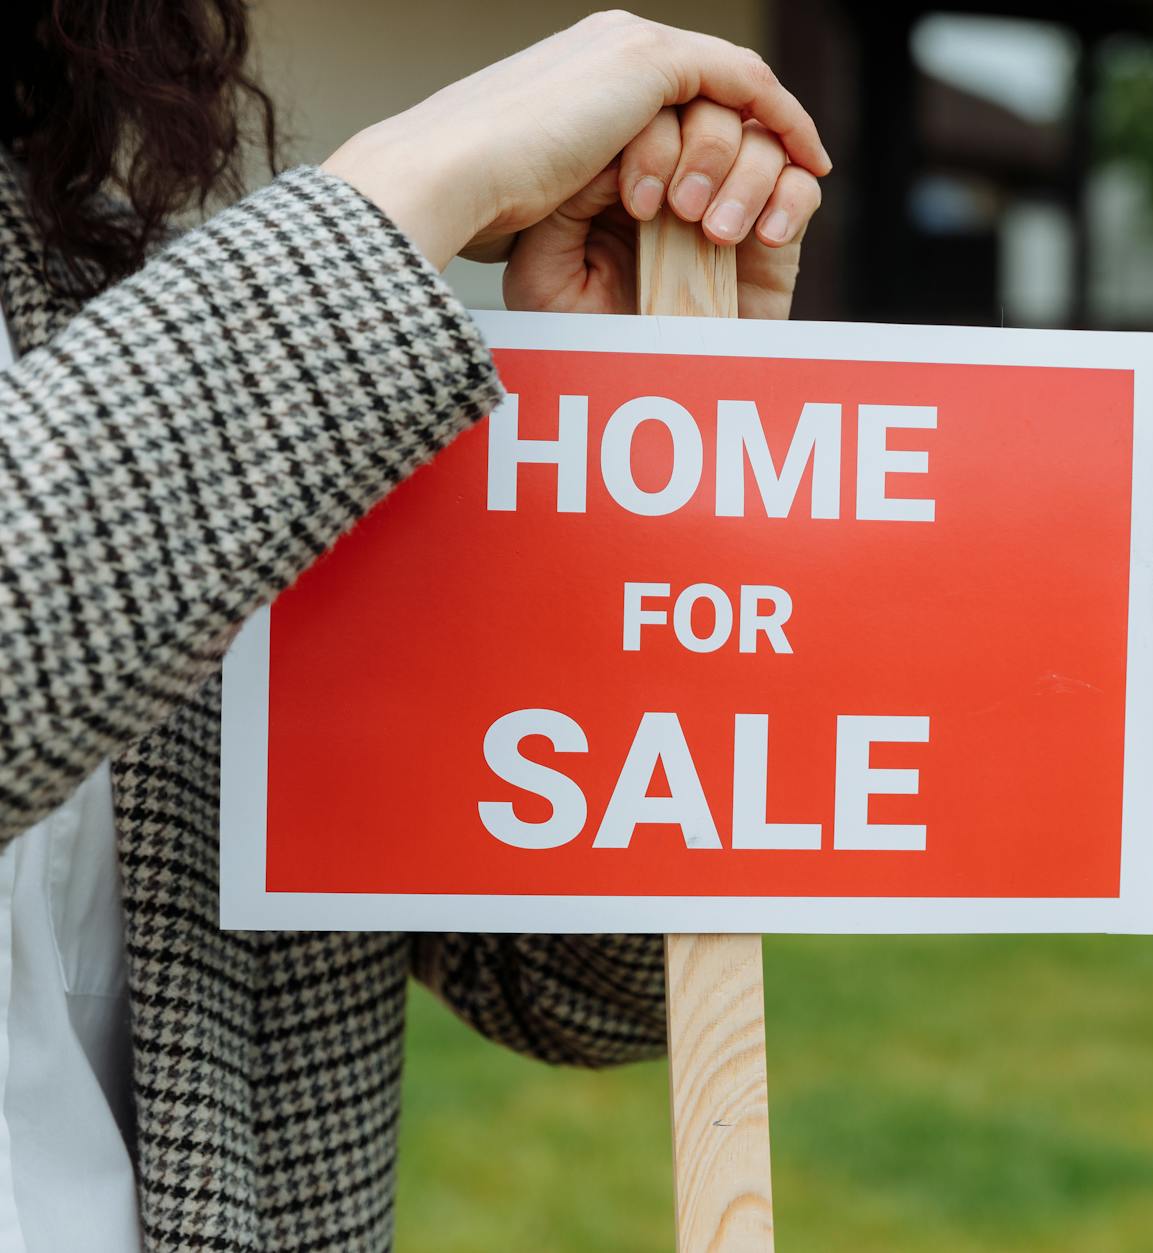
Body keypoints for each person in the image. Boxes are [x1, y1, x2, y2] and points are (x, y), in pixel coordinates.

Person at [0, 5, 825, 1249]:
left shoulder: (100, 288)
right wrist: (411, 189)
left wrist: (615, 461)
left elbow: (572, 988)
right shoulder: (259, 322)